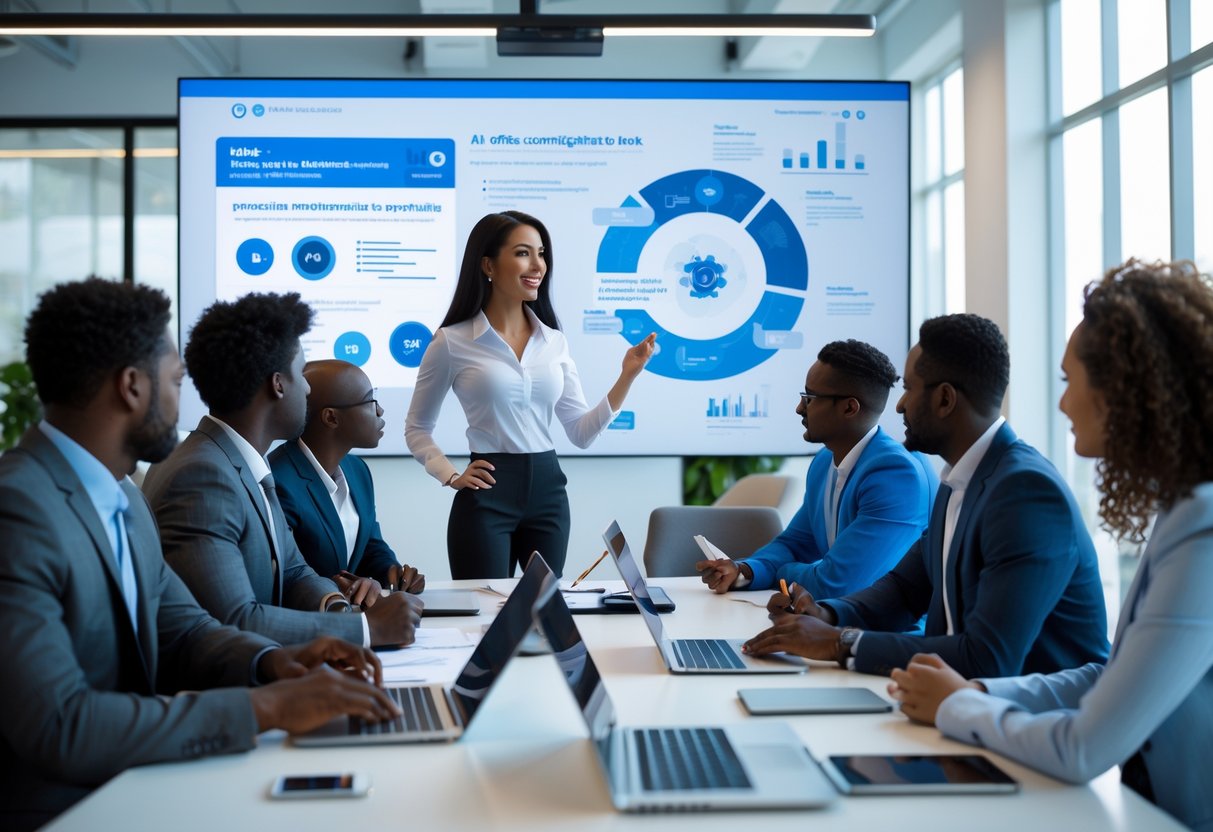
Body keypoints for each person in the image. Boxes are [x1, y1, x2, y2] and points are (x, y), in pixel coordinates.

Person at [0, 279, 401, 831]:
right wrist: (266, 707)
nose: (182, 400)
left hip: (134, 779)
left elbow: (186, 628)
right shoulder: (19, 509)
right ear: (132, 387)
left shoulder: (121, 495)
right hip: (61, 809)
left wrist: (274, 664)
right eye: (174, 381)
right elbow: (60, 724)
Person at [887, 260, 1213, 832]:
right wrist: (977, 690)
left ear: (1125, 391)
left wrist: (958, 704)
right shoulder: (1182, 507)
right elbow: (1111, 676)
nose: (1062, 405)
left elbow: (1083, 748)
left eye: (1068, 381)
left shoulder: (1202, 526)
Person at [744, 313, 1109, 678]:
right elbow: (904, 591)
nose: (899, 405)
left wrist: (840, 642)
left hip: (1033, 708)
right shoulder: (960, 479)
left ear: (945, 399)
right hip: (954, 696)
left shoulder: (1026, 493)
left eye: (909, 388)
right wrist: (825, 614)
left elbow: (987, 658)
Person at [143, 292, 422, 647]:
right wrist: (369, 630)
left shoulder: (240, 463)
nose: (307, 388)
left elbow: (294, 571)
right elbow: (234, 620)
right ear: (277, 384)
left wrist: (337, 607)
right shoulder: (203, 477)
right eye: (300, 373)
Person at [405, 210, 656, 578]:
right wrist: (451, 475)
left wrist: (627, 376)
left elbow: (581, 433)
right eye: (523, 253)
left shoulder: (554, 341)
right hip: (488, 493)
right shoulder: (451, 341)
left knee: (545, 605)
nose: (538, 265)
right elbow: (416, 428)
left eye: (541, 253)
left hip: (548, 493)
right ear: (488, 265)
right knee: (485, 604)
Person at [696, 339, 938, 598]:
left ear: (849, 407)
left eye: (809, 398)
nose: (799, 408)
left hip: (883, 622)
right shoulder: (825, 461)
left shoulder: (895, 475)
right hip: (833, 615)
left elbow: (837, 583)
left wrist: (780, 572)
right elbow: (797, 544)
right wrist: (745, 571)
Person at [269, 359, 425, 600]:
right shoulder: (277, 481)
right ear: (331, 418)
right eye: (370, 401)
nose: (380, 411)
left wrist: (392, 573)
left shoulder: (357, 470)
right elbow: (287, 577)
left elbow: (370, 545)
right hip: (315, 615)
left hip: (353, 612)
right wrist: (346, 588)